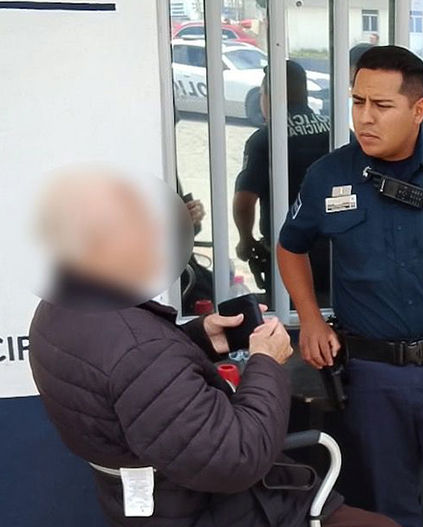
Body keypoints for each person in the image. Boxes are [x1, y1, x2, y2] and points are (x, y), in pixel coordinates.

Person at [28, 168, 399, 527]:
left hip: (149, 504)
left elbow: (129, 380)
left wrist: (198, 339)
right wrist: (265, 363)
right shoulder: (139, 347)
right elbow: (235, 458)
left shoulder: (58, 309)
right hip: (223, 509)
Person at [277, 46, 423, 527]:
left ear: (418, 109)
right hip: (371, 376)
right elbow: (290, 247)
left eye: (381, 106)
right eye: (357, 101)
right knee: (390, 511)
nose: (364, 118)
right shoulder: (328, 176)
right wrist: (308, 318)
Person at [233, 60, 332, 304]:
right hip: (336, 252)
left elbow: (245, 201)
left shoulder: (265, 139)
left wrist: (246, 240)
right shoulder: (337, 130)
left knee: (290, 318)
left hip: (287, 252)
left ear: (268, 95)